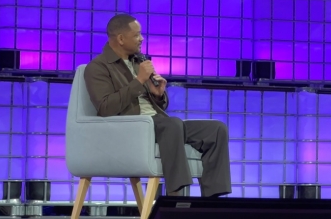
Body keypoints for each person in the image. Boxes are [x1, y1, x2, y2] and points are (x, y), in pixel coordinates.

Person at [84, 14, 231, 197]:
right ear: (121, 39)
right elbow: (105, 108)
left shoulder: (139, 61)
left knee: (216, 129)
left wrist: (159, 95)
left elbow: (154, 105)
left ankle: (212, 200)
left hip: (159, 123)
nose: (142, 39)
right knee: (172, 124)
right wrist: (139, 81)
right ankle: (174, 198)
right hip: (131, 127)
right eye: (137, 35)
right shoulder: (98, 67)